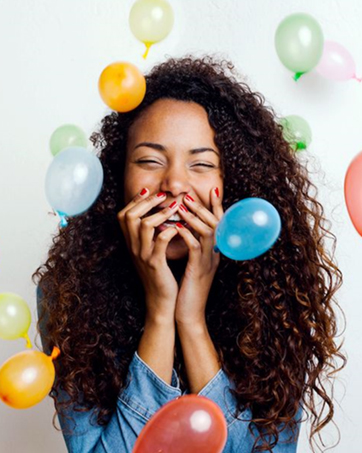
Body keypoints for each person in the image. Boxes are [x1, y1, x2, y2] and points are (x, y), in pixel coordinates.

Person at [33, 55, 346, 453]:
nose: (175, 183)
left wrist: (191, 318)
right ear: (117, 180)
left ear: (231, 184)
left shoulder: (279, 296)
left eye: (201, 163)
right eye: (149, 160)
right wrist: (161, 311)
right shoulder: (68, 292)